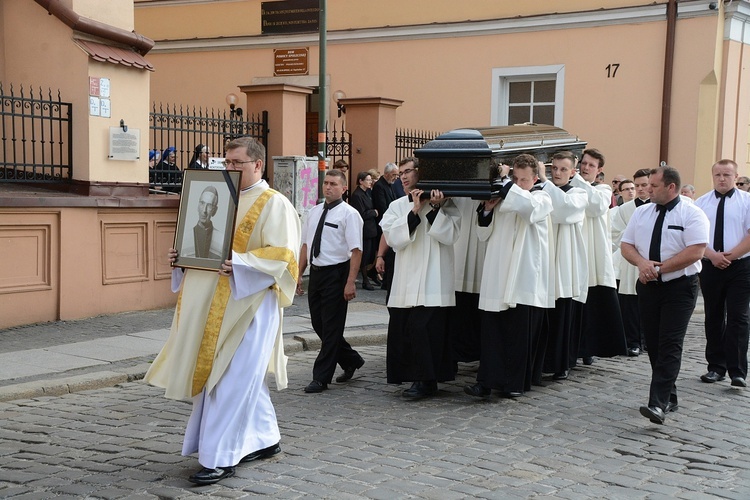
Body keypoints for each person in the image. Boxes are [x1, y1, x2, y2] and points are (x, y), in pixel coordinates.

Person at [144, 137, 301, 484]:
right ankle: (266, 438)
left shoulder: (274, 204)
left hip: (249, 308)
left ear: (257, 165)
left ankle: (220, 457)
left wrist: (242, 263)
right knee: (241, 380)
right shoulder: (217, 195)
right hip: (212, 305)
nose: (228, 169)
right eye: (225, 163)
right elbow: (205, 246)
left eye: (236, 163)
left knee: (229, 382)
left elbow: (285, 256)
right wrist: (182, 258)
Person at [621, 165, 709, 424]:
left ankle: (657, 403)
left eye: (654, 186)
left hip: (680, 286)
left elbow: (696, 251)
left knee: (670, 343)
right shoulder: (642, 213)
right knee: (654, 342)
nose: (648, 189)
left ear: (671, 187)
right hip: (649, 285)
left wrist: (659, 269)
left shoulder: (692, 214)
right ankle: (669, 396)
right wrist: (642, 264)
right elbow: (627, 245)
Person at [465, 154, 553, 399]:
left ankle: (514, 383)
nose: (519, 183)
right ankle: (485, 381)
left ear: (534, 178)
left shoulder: (542, 197)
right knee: (492, 334)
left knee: (517, 335)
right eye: (515, 177)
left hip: (523, 276)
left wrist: (507, 185)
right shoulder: (505, 197)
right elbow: (483, 235)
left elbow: (529, 209)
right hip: (497, 273)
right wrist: (487, 212)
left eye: (524, 179)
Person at [380, 161, 460, 399]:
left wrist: (435, 209)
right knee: (408, 329)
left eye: (407, 172)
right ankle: (413, 376)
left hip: (434, 279)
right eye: (400, 173)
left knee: (427, 329)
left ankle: (427, 380)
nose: (402, 177)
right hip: (406, 279)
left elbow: (451, 235)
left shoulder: (445, 203)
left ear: (421, 173)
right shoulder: (396, 206)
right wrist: (414, 211)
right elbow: (394, 238)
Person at [298, 169, 365, 393]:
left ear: (344, 188)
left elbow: (356, 250)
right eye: (326, 183)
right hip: (316, 273)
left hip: (337, 274)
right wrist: (299, 273)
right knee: (319, 324)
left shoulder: (349, 214)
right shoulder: (314, 212)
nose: (328, 187)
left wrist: (350, 281)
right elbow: (306, 245)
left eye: (334, 184)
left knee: (332, 326)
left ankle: (321, 377)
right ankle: (351, 359)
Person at [695, 159, 750, 388]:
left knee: (739, 317)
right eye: (718, 174)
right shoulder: (701, 203)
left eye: (727, 174)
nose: (722, 178)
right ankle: (715, 366)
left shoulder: (747, 201)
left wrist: (730, 256)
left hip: (740, 266)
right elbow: (694, 237)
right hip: (711, 265)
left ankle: (737, 370)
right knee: (714, 316)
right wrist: (713, 255)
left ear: (736, 176)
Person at [571, 148, 627, 365]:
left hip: (593, 254)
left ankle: (588, 349)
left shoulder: (603, 190)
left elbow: (595, 206)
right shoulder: (570, 186)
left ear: (599, 170)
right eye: (583, 163)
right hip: (572, 251)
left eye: (590, 165)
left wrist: (575, 177)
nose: (585, 168)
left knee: (592, 306)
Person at [540, 151, 588, 381]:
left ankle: (562, 363)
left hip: (564, 262)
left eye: (562, 169)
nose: (557, 173)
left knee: (562, 314)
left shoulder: (578, 193)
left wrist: (545, 182)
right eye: (554, 169)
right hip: (545, 256)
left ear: (572, 172)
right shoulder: (541, 190)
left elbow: (563, 211)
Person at [611, 169, 651, 357]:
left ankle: (648, 340)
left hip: (652, 261)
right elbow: (616, 233)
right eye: (638, 186)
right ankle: (633, 341)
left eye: (645, 185)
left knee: (650, 303)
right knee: (630, 304)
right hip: (631, 261)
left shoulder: (658, 206)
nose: (641, 189)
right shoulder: (625, 209)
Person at [349, 171, 379, 290]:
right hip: (365, 229)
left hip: (371, 229)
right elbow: (360, 213)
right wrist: (374, 212)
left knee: (371, 255)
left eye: (370, 180)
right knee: (365, 256)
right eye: (367, 180)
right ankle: (365, 280)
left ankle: (369, 275)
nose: (370, 182)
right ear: (361, 181)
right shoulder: (357, 195)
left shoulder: (368, 193)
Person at [182, 185, 224, 259]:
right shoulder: (184, 238)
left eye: (209, 205)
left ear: (214, 211)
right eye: (202, 203)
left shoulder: (222, 239)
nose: (204, 210)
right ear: (198, 206)